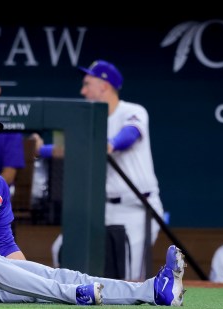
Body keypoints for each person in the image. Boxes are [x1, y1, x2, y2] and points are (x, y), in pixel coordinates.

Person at [0, 108, 186, 306]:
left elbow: (5, 243)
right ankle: (72, 297)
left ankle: (153, 291)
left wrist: (30, 275)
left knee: (60, 275)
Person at [46, 60, 164, 281]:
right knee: (60, 248)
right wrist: (38, 149)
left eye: (87, 84)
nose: (83, 91)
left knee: (127, 272)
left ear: (104, 85)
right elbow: (64, 149)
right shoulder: (87, 120)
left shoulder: (133, 110)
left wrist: (111, 143)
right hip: (99, 209)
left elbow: (130, 134)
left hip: (136, 208)